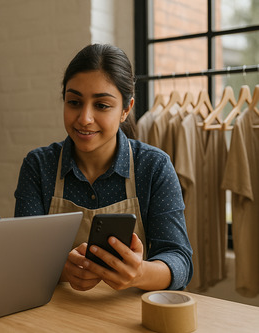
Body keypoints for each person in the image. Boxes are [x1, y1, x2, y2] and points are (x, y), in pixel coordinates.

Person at [14, 44, 193, 291]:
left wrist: (139, 273)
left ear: (126, 109)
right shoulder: (39, 166)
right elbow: (21, 258)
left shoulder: (153, 166)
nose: (85, 118)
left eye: (101, 105)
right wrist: (64, 270)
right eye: (74, 102)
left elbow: (180, 261)